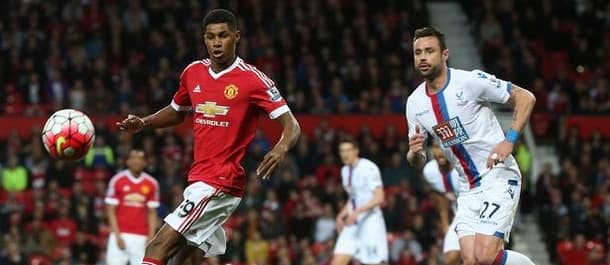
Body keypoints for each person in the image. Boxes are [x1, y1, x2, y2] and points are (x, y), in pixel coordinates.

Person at [116, 9, 301, 265]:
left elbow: (291, 124)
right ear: (204, 39)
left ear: (236, 37)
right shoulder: (193, 73)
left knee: (157, 246)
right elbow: (176, 111)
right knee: (182, 260)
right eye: (211, 37)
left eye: (223, 35)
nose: (216, 42)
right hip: (199, 179)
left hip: (220, 182)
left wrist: (281, 148)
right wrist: (144, 123)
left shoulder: (252, 80)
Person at [405, 27, 536, 265]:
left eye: (429, 51)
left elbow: (525, 97)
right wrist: (414, 153)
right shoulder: (414, 103)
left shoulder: (470, 81)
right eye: (418, 52)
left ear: (445, 54)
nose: (423, 57)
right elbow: (417, 161)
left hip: (498, 175)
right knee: (471, 260)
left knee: (486, 256)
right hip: (467, 188)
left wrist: (510, 140)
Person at [332, 138, 388, 265]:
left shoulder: (368, 167)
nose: (345, 154)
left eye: (348, 150)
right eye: (342, 151)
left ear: (356, 151)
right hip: (353, 222)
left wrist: (358, 211)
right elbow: (353, 198)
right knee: (337, 261)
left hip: (370, 222)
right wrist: (341, 214)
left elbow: (379, 197)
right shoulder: (344, 171)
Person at [105, 150, 160, 265]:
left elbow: (152, 212)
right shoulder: (117, 180)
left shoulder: (152, 183)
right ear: (128, 161)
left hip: (141, 236)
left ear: (145, 163)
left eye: (140, 159)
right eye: (133, 158)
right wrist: (117, 235)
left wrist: (151, 236)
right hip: (120, 234)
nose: (136, 161)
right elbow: (110, 210)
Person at [422, 145, 461, 265]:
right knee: (450, 259)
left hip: (478, 213)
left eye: (443, 147)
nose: (439, 152)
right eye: (435, 147)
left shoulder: (461, 167)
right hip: (458, 216)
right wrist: (445, 224)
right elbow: (441, 195)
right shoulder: (430, 171)